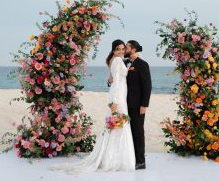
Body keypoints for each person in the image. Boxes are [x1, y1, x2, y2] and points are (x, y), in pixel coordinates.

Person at [48, 39, 135, 174]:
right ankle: (115, 160)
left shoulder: (114, 60)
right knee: (119, 126)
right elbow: (117, 82)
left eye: (123, 49)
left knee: (115, 126)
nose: (121, 51)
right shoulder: (117, 61)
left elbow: (112, 79)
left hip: (115, 95)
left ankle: (110, 157)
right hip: (118, 97)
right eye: (118, 49)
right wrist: (116, 101)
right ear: (113, 50)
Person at [108, 40, 152, 170]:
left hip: (137, 105)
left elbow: (147, 86)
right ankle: (129, 159)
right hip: (124, 104)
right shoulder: (124, 62)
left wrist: (144, 105)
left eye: (126, 48)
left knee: (138, 132)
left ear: (133, 50)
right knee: (125, 132)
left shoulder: (143, 65)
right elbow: (118, 81)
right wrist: (109, 80)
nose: (124, 50)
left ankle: (140, 161)